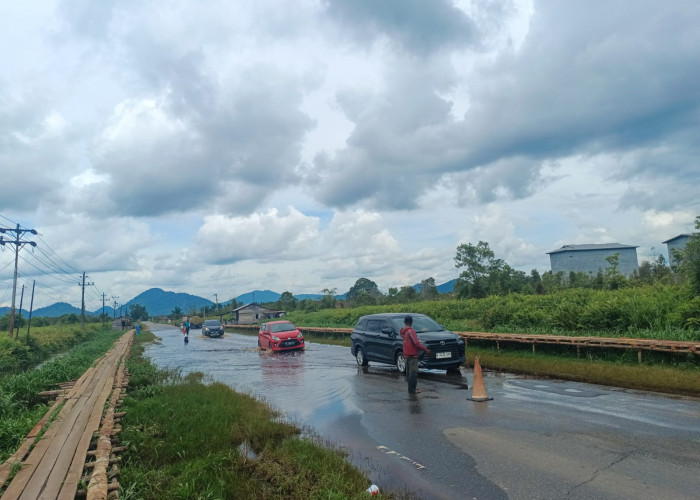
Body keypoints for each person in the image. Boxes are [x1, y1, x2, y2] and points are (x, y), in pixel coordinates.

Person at [399, 315, 430, 394]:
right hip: (412, 355)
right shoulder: (410, 331)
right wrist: (425, 349)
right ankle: (412, 390)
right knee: (413, 373)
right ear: (411, 322)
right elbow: (416, 343)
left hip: (406, 355)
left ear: (404, 322)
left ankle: (410, 389)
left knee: (409, 373)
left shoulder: (403, 331)